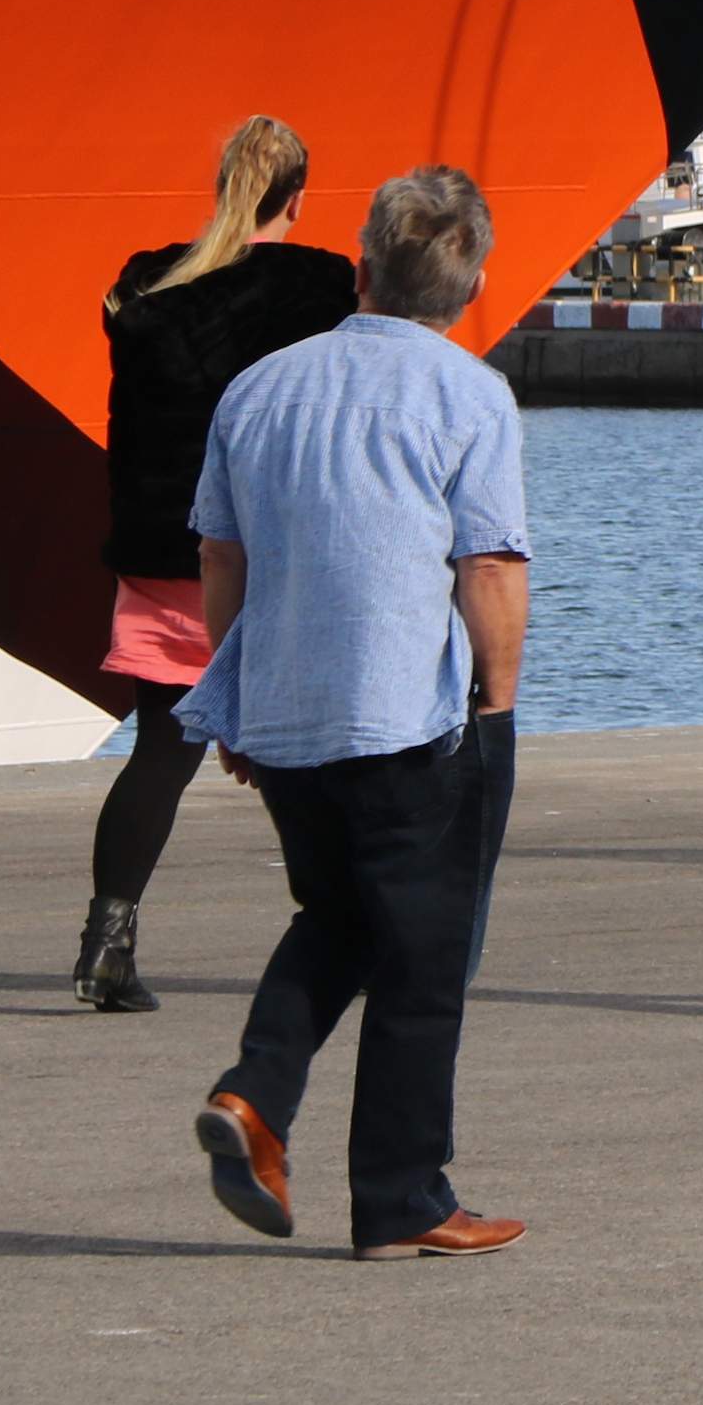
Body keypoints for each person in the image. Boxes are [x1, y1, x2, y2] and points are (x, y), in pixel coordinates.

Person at [180, 166, 532, 1261]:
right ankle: (400, 1196)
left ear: (362, 263)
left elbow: (222, 555)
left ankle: (255, 1093)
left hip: (286, 707)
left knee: (337, 914)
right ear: (471, 284)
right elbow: (489, 564)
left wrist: (237, 697)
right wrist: (498, 702)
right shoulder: (468, 392)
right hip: (406, 715)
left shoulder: (259, 388)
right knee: (424, 960)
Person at [75, 115, 358, 1012]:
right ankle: (346, 932)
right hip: (263, 555)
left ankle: (106, 943)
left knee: (162, 752)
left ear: (223, 184)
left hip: (160, 556)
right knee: (302, 754)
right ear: (296, 198)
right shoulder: (317, 287)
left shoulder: (146, 287)